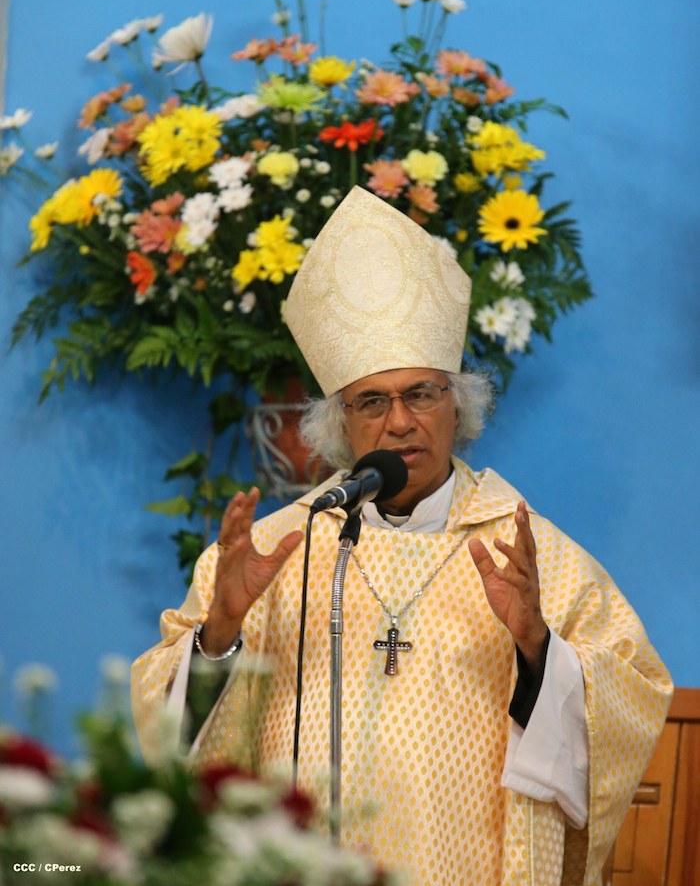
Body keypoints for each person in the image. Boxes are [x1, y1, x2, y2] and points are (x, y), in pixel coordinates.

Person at [132, 187, 672, 886]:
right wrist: (221, 634)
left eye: (421, 393)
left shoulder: (532, 554)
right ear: (340, 424)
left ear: (457, 405)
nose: (399, 422)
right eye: (371, 401)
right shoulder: (277, 552)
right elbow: (172, 740)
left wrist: (539, 648)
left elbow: (634, 696)